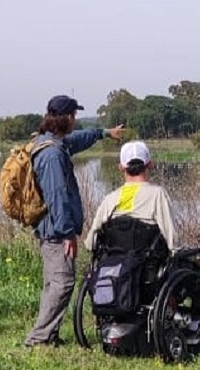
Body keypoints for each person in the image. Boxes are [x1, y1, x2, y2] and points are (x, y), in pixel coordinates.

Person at [23, 95, 124, 348]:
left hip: (51, 230)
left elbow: (77, 139)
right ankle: (38, 339)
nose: (75, 120)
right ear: (66, 117)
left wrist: (103, 133)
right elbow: (58, 197)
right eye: (74, 116)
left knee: (53, 284)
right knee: (64, 282)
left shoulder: (51, 143)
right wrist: (68, 233)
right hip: (56, 232)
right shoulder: (53, 155)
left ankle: (49, 335)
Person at [85, 141, 200, 272]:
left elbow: (90, 244)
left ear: (121, 167)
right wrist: (197, 258)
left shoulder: (109, 200)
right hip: (150, 274)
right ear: (150, 164)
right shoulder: (157, 195)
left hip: (116, 271)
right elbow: (174, 245)